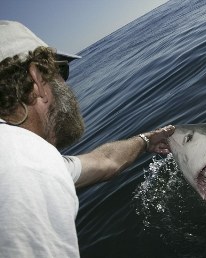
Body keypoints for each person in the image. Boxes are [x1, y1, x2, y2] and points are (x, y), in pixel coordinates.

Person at [0, 20, 175, 257]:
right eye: (61, 71)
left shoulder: (23, 154)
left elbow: (104, 163)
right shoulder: (26, 167)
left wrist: (146, 140)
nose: (66, 85)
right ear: (36, 79)